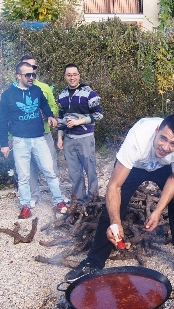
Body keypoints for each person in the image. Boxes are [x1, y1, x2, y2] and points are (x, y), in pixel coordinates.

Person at [64, 114, 174, 284]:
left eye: (173, 143)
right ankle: (93, 262)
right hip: (135, 166)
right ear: (156, 131)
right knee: (113, 208)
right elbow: (114, 186)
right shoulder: (136, 140)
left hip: (164, 168)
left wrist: (157, 211)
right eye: (163, 138)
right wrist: (115, 222)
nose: (165, 147)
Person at [0, 61, 67, 219]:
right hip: (20, 141)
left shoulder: (36, 90)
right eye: (27, 75)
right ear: (18, 76)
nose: (31, 77)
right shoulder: (8, 94)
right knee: (23, 176)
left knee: (50, 172)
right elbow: (2, 120)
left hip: (39, 138)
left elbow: (44, 105)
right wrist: (4, 144)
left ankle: (59, 202)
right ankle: (25, 205)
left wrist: (50, 115)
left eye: (33, 74)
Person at [57, 64, 103, 210]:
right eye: (69, 75)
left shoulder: (90, 94)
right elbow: (60, 118)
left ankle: (94, 199)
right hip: (69, 139)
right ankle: (79, 202)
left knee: (90, 170)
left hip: (85, 137)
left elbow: (98, 115)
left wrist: (79, 121)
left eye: (74, 74)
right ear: (65, 77)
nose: (72, 77)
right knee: (74, 172)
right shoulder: (62, 96)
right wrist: (60, 137)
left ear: (79, 76)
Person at [19, 55, 62, 208]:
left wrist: (49, 114)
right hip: (24, 135)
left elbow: (53, 106)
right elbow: (11, 116)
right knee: (29, 168)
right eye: (28, 68)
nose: (32, 72)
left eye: (34, 68)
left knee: (51, 164)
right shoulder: (15, 88)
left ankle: (58, 196)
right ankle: (33, 196)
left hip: (44, 132)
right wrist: (10, 138)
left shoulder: (43, 88)